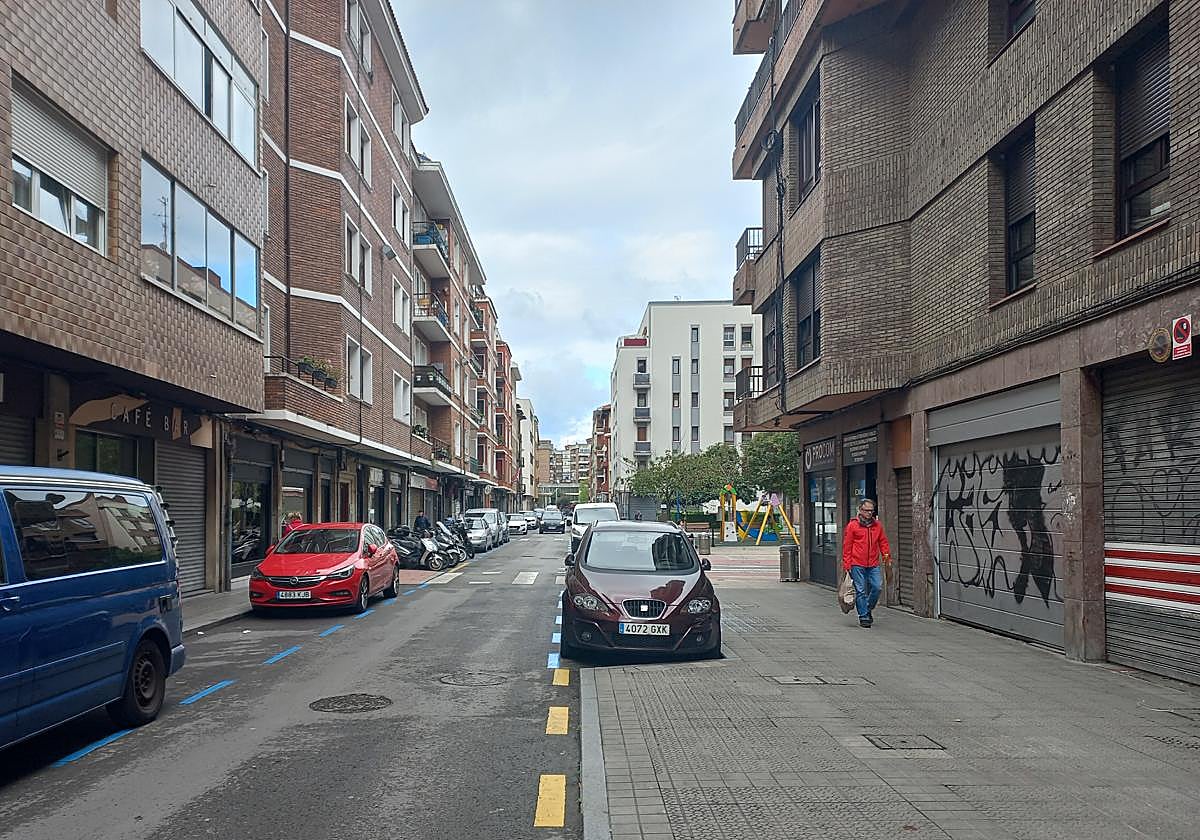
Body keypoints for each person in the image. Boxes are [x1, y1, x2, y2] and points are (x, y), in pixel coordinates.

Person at [842, 499, 891, 628]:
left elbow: (883, 542)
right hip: (857, 563)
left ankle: (867, 607)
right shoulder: (853, 526)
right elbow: (847, 546)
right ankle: (863, 616)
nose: (869, 513)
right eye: (866, 510)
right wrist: (847, 564)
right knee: (861, 590)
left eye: (871, 510)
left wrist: (886, 557)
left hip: (873, 563)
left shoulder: (877, 526)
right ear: (860, 510)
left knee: (877, 587)